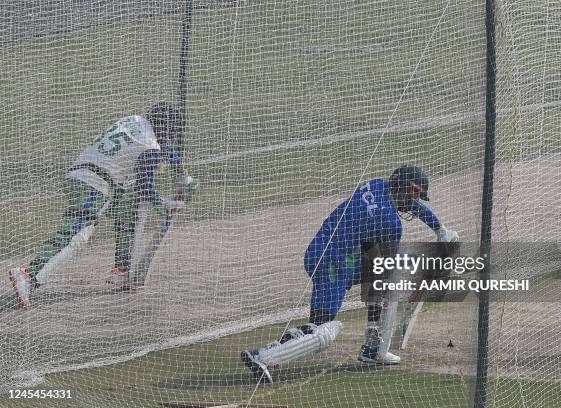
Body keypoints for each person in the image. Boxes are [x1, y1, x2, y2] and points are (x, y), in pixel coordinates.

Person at [241, 165, 458, 383]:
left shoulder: (377, 185)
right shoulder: (390, 222)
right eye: (412, 193)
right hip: (334, 266)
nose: (413, 201)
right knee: (322, 330)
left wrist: (440, 229)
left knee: (375, 273)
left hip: (322, 251)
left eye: (416, 195)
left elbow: (413, 208)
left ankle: (373, 347)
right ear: (400, 186)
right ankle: (262, 356)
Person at [9, 102, 198, 309]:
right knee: (76, 236)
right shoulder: (150, 145)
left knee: (128, 213)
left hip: (85, 177)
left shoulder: (134, 121)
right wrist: (165, 205)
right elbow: (146, 188)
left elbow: (165, 149)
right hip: (94, 186)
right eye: (170, 132)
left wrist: (181, 172)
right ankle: (29, 276)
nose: (170, 138)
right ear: (165, 128)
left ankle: (122, 272)